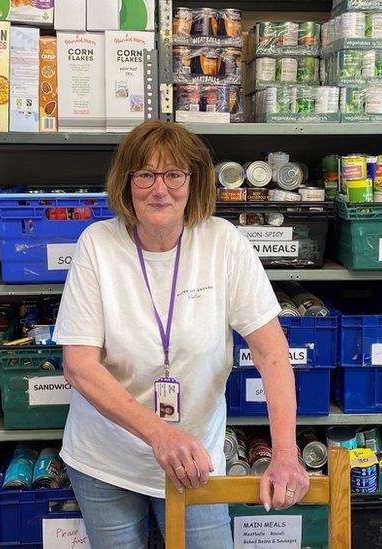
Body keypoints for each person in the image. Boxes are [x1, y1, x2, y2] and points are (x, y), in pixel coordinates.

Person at [53, 120, 308, 548]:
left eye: (174, 174)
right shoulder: (97, 244)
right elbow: (79, 366)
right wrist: (162, 435)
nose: (159, 189)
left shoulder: (223, 243)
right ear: (126, 181)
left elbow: (272, 354)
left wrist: (286, 454)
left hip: (197, 461)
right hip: (106, 458)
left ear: (194, 182)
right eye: (145, 174)